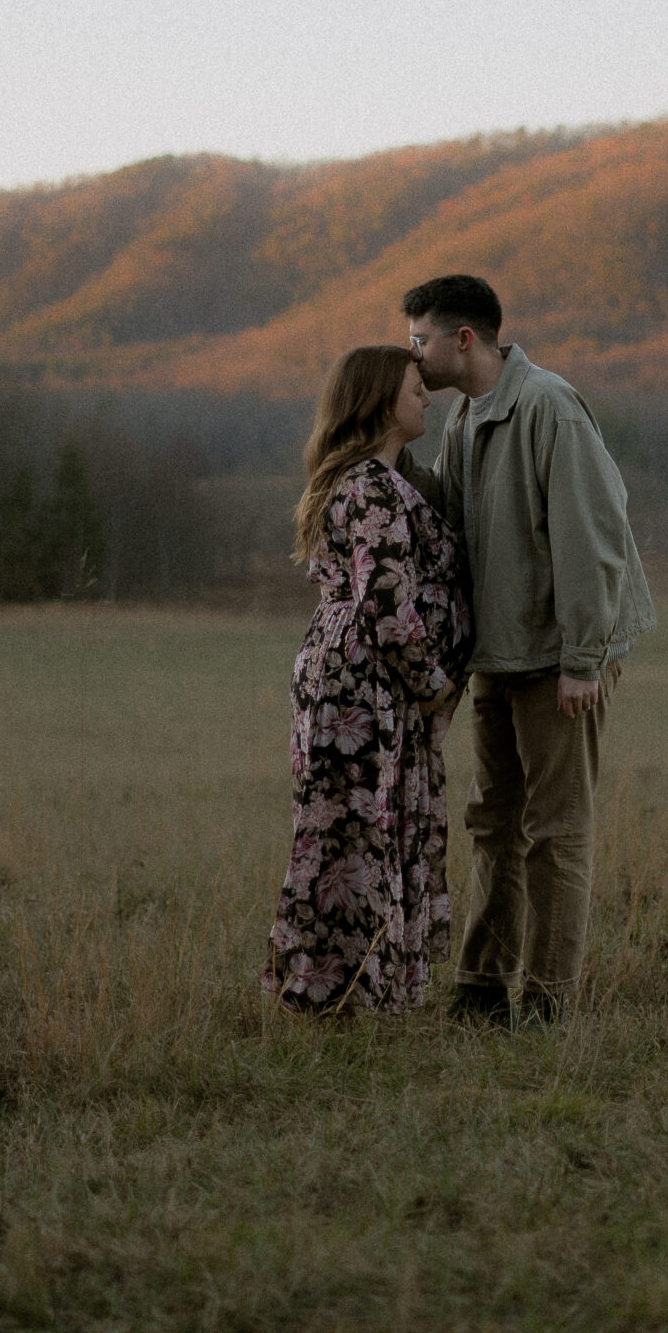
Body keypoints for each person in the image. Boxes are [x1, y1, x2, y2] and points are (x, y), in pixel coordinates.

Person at [398, 274, 654, 1027]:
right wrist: (386, 453)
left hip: (556, 657)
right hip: (499, 656)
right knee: (494, 824)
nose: (411, 356)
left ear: (462, 340)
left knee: (556, 831)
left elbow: (592, 537)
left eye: (419, 341)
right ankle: (480, 989)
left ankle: (547, 1002)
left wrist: (582, 659)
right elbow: (453, 516)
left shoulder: (546, 405)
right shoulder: (467, 416)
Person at [264, 344, 473, 1017]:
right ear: (382, 400)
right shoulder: (372, 487)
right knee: (357, 831)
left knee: (355, 830)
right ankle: (346, 997)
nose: (427, 398)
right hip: (368, 681)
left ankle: (357, 992)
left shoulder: (364, 479)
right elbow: (386, 603)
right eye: (417, 388)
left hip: (352, 674)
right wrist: (435, 682)